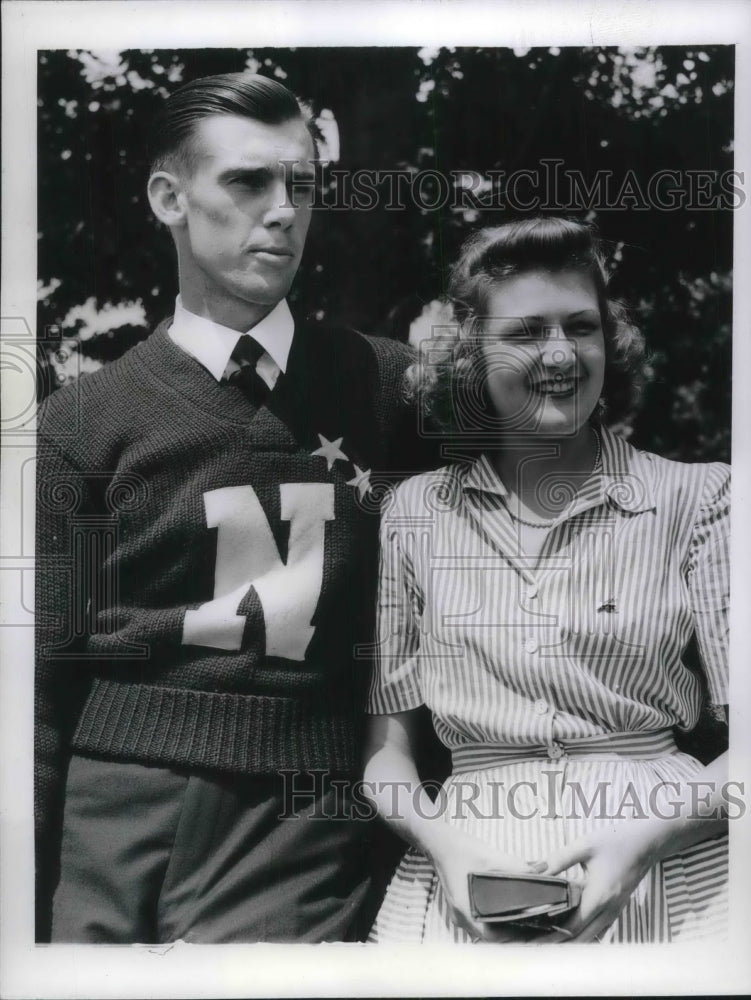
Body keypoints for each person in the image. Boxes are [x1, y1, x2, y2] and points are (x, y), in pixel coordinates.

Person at [35, 71, 430, 943]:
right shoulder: (79, 421)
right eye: (248, 182)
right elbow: (36, 686)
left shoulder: (391, 388)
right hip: (108, 810)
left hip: (299, 813)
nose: (284, 211)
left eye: (303, 186)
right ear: (169, 198)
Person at [364, 216, 730, 944]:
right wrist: (446, 846)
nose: (560, 353)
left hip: (669, 874)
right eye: (527, 331)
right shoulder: (415, 510)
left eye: (580, 327)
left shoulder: (702, 498)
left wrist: (642, 843)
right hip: (470, 875)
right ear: (473, 354)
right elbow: (387, 756)